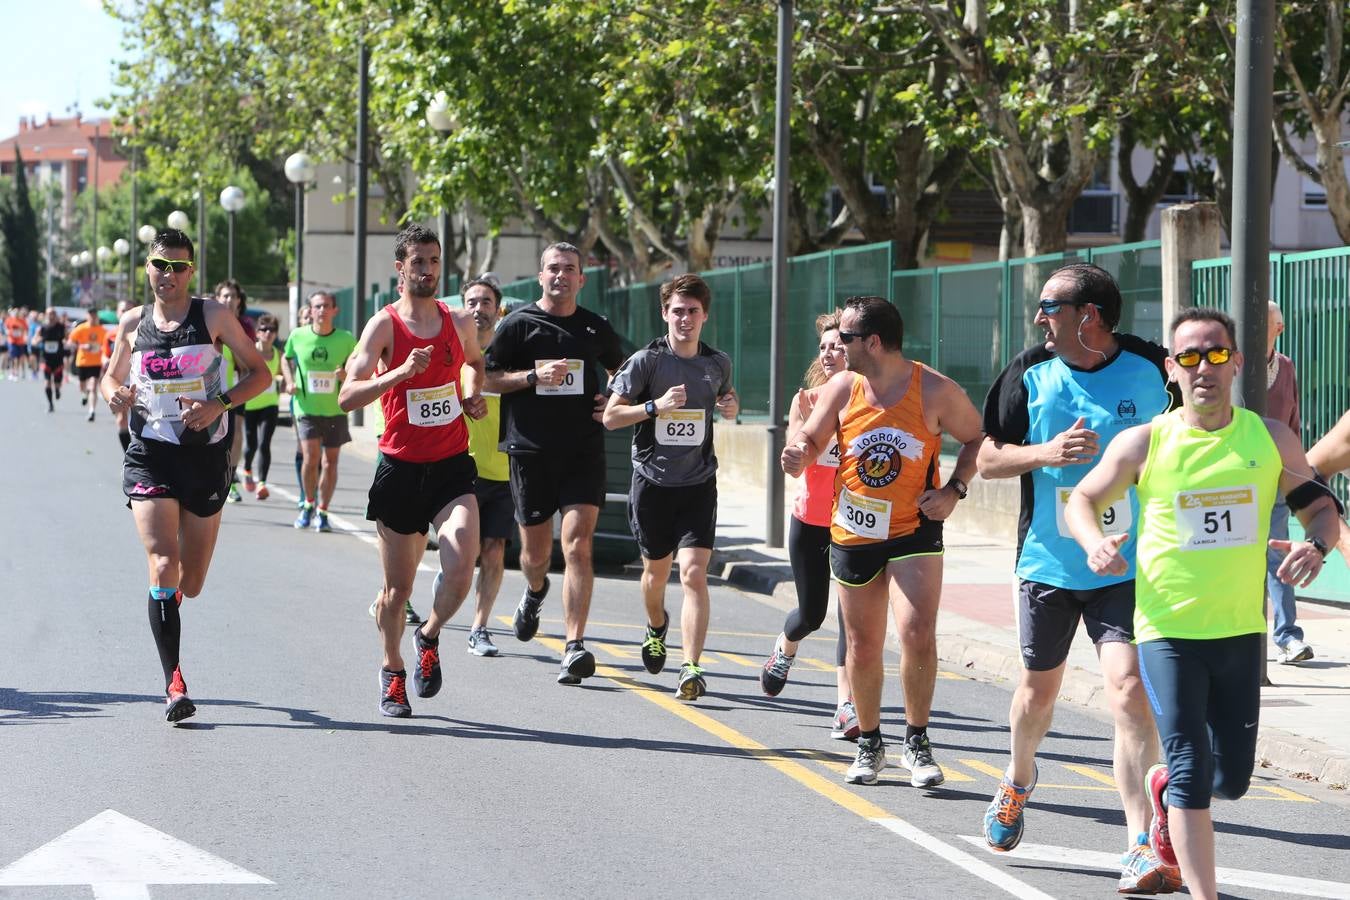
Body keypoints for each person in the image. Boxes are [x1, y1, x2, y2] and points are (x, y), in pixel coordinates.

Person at [1066, 306, 1340, 900]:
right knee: (1192, 767)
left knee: (1232, 780)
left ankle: (1163, 790)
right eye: (1188, 357)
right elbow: (1082, 502)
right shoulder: (1145, 442)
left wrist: (1317, 545)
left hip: (1241, 630)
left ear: (1237, 362)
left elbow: (1322, 507)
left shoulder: (1269, 439)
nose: (1203, 368)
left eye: (1216, 354)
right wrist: (1093, 545)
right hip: (1167, 628)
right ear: (1172, 369)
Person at [976, 263, 1180, 891]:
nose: (1040, 318)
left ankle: (1139, 842)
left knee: (1127, 691)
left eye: (1049, 306)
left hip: (1127, 562)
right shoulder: (1029, 371)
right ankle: (1018, 776)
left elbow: (1201, 426)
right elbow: (986, 458)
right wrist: (1045, 453)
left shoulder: (1154, 367)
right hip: (1048, 563)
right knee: (1038, 693)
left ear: (1088, 315)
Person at [781, 294, 982, 788]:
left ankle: (917, 740)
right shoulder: (844, 388)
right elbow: (809, 437)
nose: (836, 346)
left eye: (845, 337)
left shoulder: (933, 389)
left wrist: (954, 490)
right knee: (864, 646)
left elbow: (979, 437)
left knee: (917, 635)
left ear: (872, 342)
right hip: (853, 531)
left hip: (914, 528)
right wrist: (799, 454)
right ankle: (870, 744)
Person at [99, 229, 271, 723]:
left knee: (190, 583)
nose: (167, 275)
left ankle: (171, 600)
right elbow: (112, 375)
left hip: (204, 456)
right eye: (159, 265)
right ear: (147, 268)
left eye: (178, 266)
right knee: (161, 562)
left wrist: (218, 403)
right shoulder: (132, 322)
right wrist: (114, 392)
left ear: (191, 271)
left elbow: (260, 375)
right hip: (151, 451)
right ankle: (174, 683)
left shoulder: (213, 316)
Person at [338, 224, 486, 717]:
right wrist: (399, 373)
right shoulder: (383, 327)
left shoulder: (458, 319)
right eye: (417, 262)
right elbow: (346, 396)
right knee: (396, 591)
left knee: (462, 564)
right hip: (400, 468)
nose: (426, 270)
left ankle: (429, 635)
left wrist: (468, 394)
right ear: (400, 268)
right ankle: (392, 669)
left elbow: (475, 362)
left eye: (433, 261)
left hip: (450, 466)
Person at [483, 242, 626, 684]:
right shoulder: (519, 324)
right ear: (540, 276)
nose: (561, 275)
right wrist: (531, 377)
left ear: (582, 278)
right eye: (553, 269)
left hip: (582, 452)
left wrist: (612, 400)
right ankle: (534, 590)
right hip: (531, 453)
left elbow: (624, 372)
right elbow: (487, 377)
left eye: (569, 269)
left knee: (579, 546)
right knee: (535, 554)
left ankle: (574, 645)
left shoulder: (595, 327)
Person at [603, 274, 738, 700]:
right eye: (677, 311)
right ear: (664, 314)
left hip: (698, 484)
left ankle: (692, 667)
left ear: (705, 316)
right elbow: (609, 417)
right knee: (654, 574)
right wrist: (654, 407)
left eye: (692, 311)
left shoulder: (718, 364)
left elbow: (727, 402)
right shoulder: (646, 361)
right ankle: (656, 624)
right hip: (652, 485)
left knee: (695, 574)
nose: (684, 318)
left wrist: (732, 407)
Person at [759, 311, 857, 737]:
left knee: (852, 619)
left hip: (855, 526)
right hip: (811, 521)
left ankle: (845, 707)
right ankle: (785, 647)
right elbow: (795, 460)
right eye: (824, 347)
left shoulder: (874, 401)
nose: (829, 352)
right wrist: (798, 448)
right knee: (812, 614)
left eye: (837, 345)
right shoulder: (807, 401)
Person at [461, 275, 511, 657]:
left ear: (498, 308)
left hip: (504, 468)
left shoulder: (512, 349)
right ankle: (450, 582)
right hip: (459, 466)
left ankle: (480, 627)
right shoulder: (452, 347)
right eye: (472, 302)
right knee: (464, 553)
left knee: (494, 550)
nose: (479, 309)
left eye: (486, 302)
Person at [1262, 301, 1313, 664]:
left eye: (1273, 324)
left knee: (1278, 556)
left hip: (1276, 473)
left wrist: (1294, 471)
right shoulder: (1232, 362)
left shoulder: (1286, 366)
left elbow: (1292, 417)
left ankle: (1287, 636)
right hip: (1234, 476)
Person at [282, 291, 357, 532]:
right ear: (311, 310)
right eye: (317, 306)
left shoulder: (346, 339)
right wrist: (289, 380)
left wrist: (346, 376)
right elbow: (286, 358)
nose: (322, 311)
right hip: (306, 408)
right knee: (310, 457)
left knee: (330, 462)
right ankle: (308, 503)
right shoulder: (298, 335)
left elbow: (357, 366)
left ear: (335, 310)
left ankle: (323, 511)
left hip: (336, 409)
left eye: (326, 306)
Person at [215, 280, 257, 504]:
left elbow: (248, 363)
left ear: (239, 301)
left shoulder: (245, 326)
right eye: (224, 296)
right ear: (217, 299)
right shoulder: (209, 322)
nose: (229, 300)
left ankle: (230, 479)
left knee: (235, 432)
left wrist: (232, 342)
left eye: (233, 296)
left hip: (235, 388)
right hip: (209, 389)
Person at [239, 313, 283, 500]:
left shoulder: (278, 355)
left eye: (272, 330)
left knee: (265, 443)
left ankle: (262, 483)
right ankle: (247, 468)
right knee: (251, 444)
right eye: (264, 329)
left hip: (270, 404)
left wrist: (284, 380)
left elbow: (284, 373)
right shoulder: (251, 353)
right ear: (257, 333)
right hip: (250, 404)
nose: (268, 333)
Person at [68, 308, 107, 422]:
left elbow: (106, 345)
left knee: (93, 386)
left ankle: (92, 411)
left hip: (96, 362)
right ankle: (85, 394)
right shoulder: (81, 328)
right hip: (82, 361)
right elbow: (71, 341)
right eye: (91, 315)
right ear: (87, 316)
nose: (93, 317)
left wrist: (101, 348)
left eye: (94, 315)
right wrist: (81, 346)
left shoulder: (102, 330)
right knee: (82, 386)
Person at [37, 308, 67, 412]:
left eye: (53, 313)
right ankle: (50, 404)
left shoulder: (61, 327)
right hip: (46, 358)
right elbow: (35, 338)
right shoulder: (42, 327)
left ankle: (57, 389)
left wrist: (66, 341)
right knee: (47, 383)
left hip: (58, 358)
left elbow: (66, 337)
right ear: (46, 315)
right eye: (49, 314)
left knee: (57, 382)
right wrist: (36, 340)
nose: (51, 315)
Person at [5, 307, 28, 380]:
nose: (16, 314)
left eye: (17, 312)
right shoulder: (9, 320)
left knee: (18, 358)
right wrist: (7, 332)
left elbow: (26, 329)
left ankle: (16, 372)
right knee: (13, 357)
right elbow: (6, 328)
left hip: (20, 341)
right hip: (12, 341)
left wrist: (25, 336)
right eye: (14, 312)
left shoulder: (22, 321)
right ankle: (13, 372)